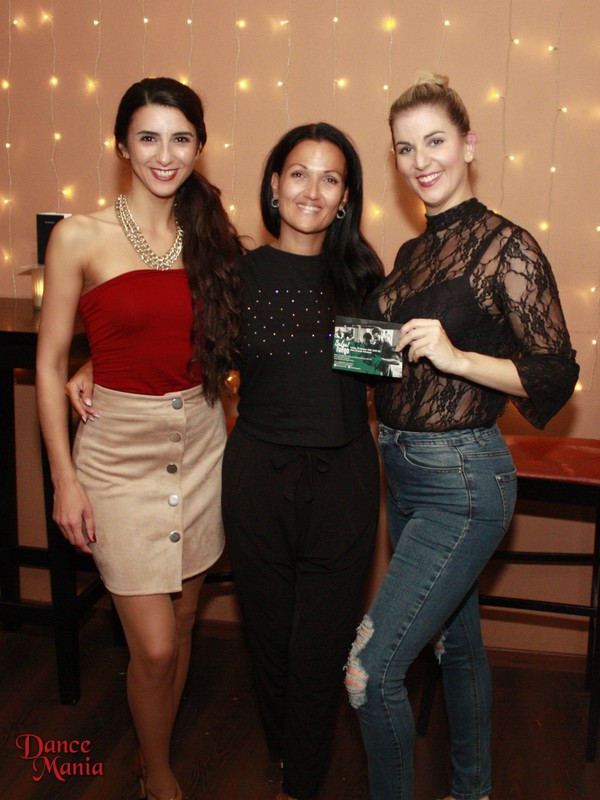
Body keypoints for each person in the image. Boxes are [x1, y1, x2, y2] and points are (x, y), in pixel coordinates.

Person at [344, 73, 579, 800]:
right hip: (403, 471)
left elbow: (555, 373)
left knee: (369, 673)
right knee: (457, 644)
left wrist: (457, 357)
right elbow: (373, 366)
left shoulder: (507, 246)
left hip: (464, 480)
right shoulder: (411, 256)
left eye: (436, 141)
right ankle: (472, 791)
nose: (421, 161)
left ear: (469, 144)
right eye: (405, 148)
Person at [36, 77, 242, 800]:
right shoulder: (78, 236)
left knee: (182, 623)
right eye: (148, 137)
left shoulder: (212, 236)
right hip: (117, 454)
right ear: (122, 145)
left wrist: (102, 357)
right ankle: (159, 777)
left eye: (181, 138)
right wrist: (64, 479)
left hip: (203, 442)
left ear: (199, 146)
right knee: (152, 646)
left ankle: (154, 752)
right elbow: (49, 361)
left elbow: (207, 334)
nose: (165, 154)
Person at [221, 123, 384, 800]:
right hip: (257, 477)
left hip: (344, 480)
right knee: (269, 644)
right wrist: (92, 366)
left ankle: (301, 784)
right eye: (299, 172)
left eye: (330, 177)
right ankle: (288, 754)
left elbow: (380, 387)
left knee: (319, 651)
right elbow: (186, 361)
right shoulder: (237, 275)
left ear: (345, 198)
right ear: (273, 184)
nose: (312, 190)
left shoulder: (361, 277)